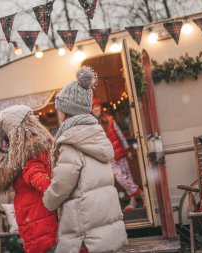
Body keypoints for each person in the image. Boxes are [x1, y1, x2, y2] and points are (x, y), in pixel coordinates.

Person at [43, 66, 128, 253]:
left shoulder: (71, 142)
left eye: (60, 109)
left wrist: (47, 200)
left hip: (84, 231)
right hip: (103, 225)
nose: (58, 114)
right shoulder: (96, 135)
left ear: (66, 112)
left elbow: (62, 183)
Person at [0, 105, 58, 253]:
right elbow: (37, 176)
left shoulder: (21, 153)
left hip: (31, 219)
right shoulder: (31, 149)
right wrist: (58, 193)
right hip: (41, 220)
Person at [92, 98, 144, 211]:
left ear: (100, 107)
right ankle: (140, 193)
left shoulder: (110, 119)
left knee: (127, 176)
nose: (96, 109)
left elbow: (120, 135)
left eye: (97, 106)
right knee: (120, 177)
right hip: (109, 157)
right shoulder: (92, 125)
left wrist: (127, 149)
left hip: (120, 152)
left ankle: (133, 202)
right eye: (93, 107)